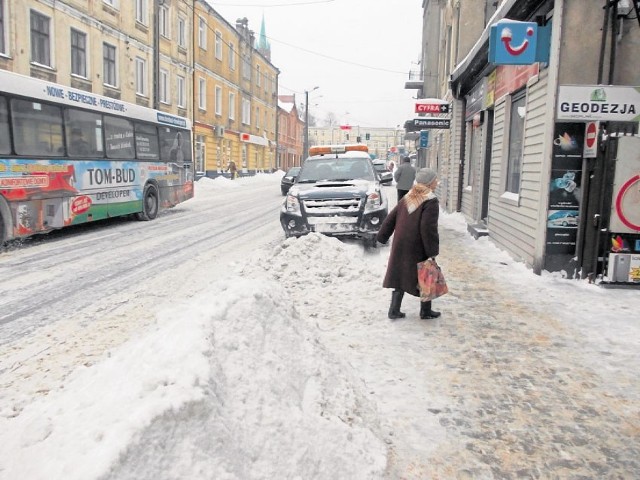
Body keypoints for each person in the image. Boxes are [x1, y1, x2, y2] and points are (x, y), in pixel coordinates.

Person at [377, 167, 441, 320]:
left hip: (401, 241)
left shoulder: (409, 196)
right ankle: (425, 311)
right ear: (429, 182)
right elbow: (428, 228)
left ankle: (394, 310)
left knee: (400, 274)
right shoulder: (430, 200)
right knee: (427, 273)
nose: (436, 183)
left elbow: (391, 218)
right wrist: (431, 250)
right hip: (417, 243)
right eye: (435, 180)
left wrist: (382, 236)